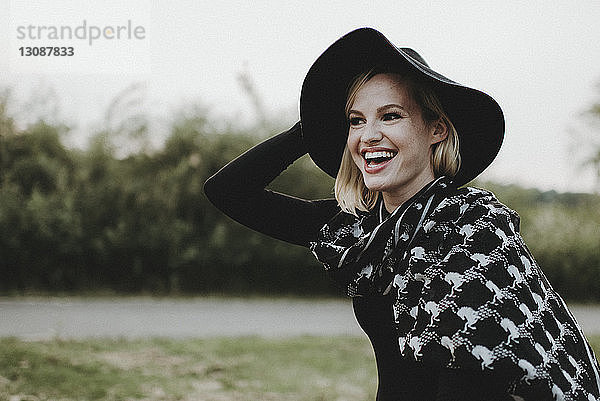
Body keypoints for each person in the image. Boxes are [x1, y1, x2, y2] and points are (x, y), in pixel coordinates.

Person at [204, 28, 600, 401]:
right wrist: (308, 131)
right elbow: (228, 192)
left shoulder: (473, 227)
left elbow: (471, 375)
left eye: (390, 115)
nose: (367, 135)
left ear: (436, 129)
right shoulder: (355, 233)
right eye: (356, 121)